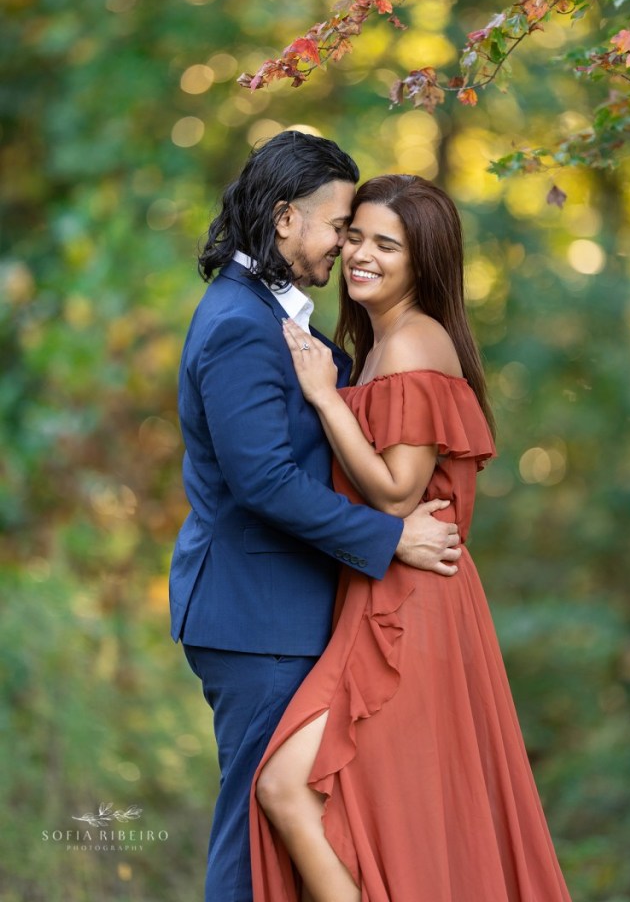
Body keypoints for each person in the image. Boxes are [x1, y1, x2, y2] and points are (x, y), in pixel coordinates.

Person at [252, 174, 573, 902]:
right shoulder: (382, 341)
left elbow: (397, 491)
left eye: (385, 244)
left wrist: (324, 398)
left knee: (291, 788)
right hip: (382, 596)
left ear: (422, 261)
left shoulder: (413, 342)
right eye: (354, 236)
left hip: (409, 612)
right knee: (364, 812)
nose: (360, 254)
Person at [170, 134, 463, 902]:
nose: (344, 244)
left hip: (287, 611)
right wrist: (392, 536)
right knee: (254, 838)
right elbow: (262, 479)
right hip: (256, 618)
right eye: (339, 225)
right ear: (284, 218)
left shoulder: (276, 312)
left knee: (297, 833)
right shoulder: (239, 323)